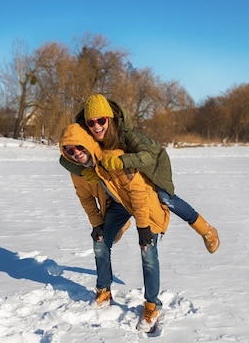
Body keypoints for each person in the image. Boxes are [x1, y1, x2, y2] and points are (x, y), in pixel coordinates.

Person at [59, 93, 220, 253]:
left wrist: (122, 161)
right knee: (109, 188)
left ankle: (206, 230)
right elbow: (64, 158)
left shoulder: (127, 133)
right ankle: (119, 224)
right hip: (128, 173)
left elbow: (149, 157)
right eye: (91, 122)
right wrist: (82, 170)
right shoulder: (87, 135)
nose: (96, 126)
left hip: (153, 166)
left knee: (165, 198)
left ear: (109, 118)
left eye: (101, 120)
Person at [60, 123, 170, 333]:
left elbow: (138, 191)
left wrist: (144, 228)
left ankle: (152, 306)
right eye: (69, 150)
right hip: (117, 206)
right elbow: (86, 199)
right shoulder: (77, 172)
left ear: (87, 144)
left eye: (79, 147)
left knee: (148, 251)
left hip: (143, 203)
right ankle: (103, 291)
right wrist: (97, 225)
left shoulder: (111, 157)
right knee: (100, 243)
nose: (75, 154)